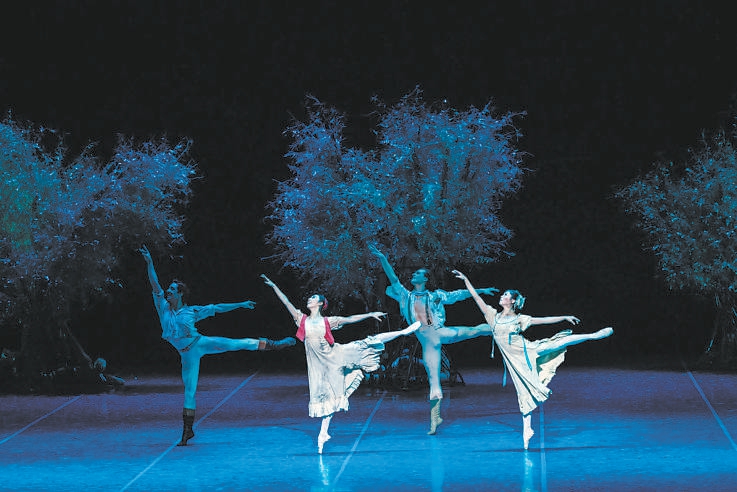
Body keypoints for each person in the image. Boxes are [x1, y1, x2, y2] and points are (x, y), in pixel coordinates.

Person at [140, 246, 296, 446]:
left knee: (235, 344)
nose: (168, 292)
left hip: (200, 344)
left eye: (172, 290)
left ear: (180, 294)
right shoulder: (163, 307)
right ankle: (188, 430)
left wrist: (240, 304)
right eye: (168, 289)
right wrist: (150, 262)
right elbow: (154, 284)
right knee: (190, 390)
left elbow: (217, 308)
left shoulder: (192, 311)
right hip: (186, 355)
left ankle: (273, 344)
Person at [452, 269, 614, 450]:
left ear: (513, 301)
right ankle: (527, 429)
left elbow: (543, 320)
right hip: (515, 361)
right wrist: (466, 280)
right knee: (523, 390)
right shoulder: (492, 316)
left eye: (505, 295)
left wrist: (564, 317)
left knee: (556, 343)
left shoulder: (520, 319)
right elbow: (477, 299)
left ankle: (593, 335)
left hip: (527, 351)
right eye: (503, 294)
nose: (502, 296)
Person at [261, 274, 420, 454]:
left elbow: (350, 319)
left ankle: (403, 332)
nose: (309, 299)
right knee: (330, 397)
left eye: (313, 298)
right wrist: (274, 286)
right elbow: (286, 302)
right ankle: (323, 433)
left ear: (320, 303)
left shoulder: (328, 321)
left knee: (367, 343)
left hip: (336, 356)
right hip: (319, 367)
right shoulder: (302, 319)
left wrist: (370, 314)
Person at [369, 245, 498, 435]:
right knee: (434, 381)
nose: (413, 275)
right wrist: (382, 258)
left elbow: (457, 295)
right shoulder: (406, 296)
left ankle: (505, 328)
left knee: (474, 331)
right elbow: (393, 278)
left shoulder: (436, 295)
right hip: (430, 342)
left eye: (417, 274)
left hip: (440, 332)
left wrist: (481, 290)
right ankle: (435, 418)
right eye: (413, 273)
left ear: (425, 279)